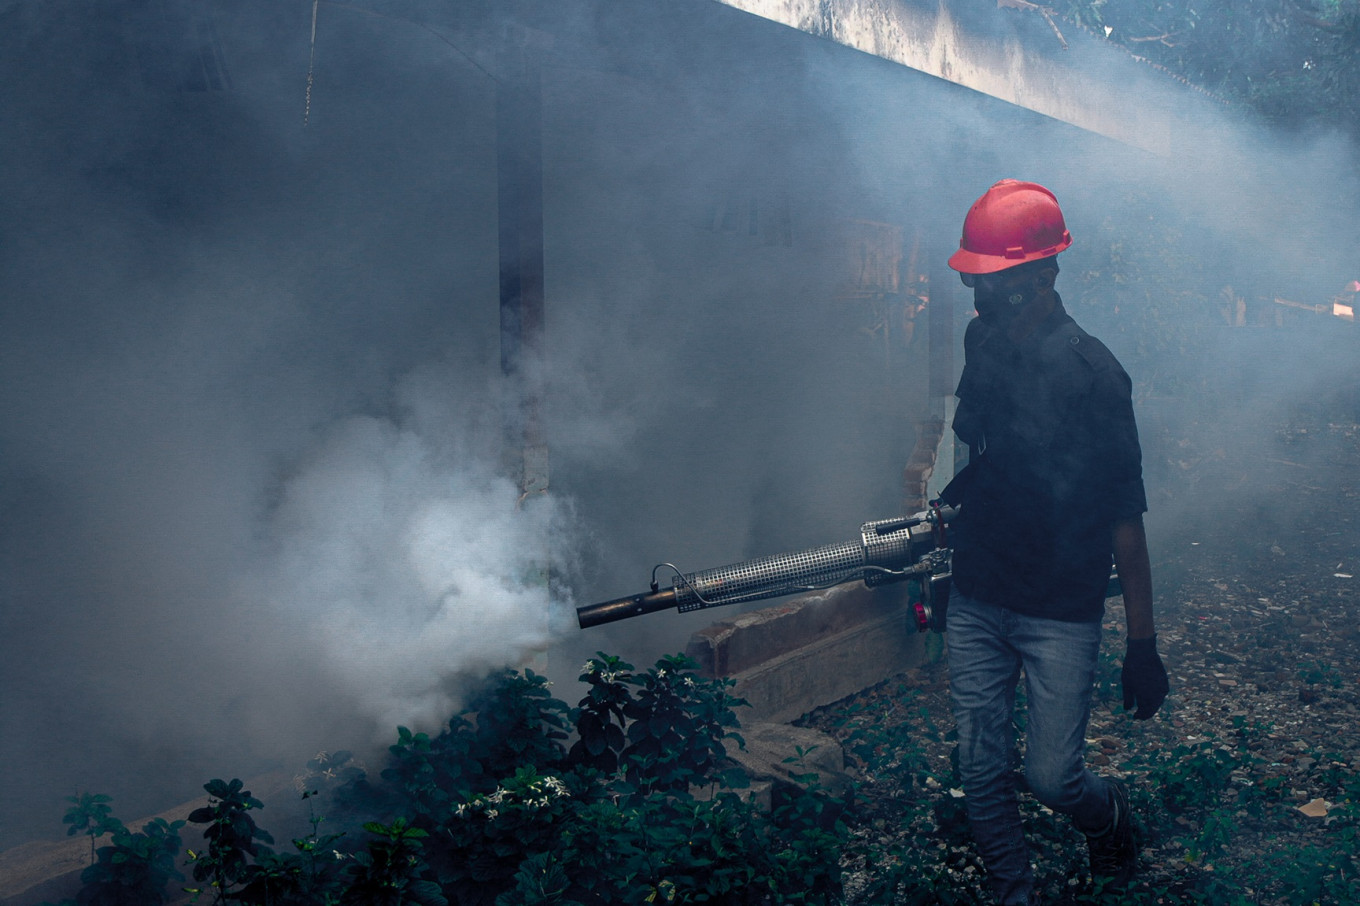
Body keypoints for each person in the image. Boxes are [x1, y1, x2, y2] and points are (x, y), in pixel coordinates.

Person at [939, 179, 1169, 905]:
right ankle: (1015, 892)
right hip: (978, 589)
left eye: (996, 283)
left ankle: (1108, 815)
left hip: (1058, 607)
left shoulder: (1096, 376)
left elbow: (1125, 517)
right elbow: (970, 440)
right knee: (979, 767)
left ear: (1043, 275)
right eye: (976, 283)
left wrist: (1141, 643)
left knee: (1052, 778)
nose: (981, 300)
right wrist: (953, 513)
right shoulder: (981, 338)